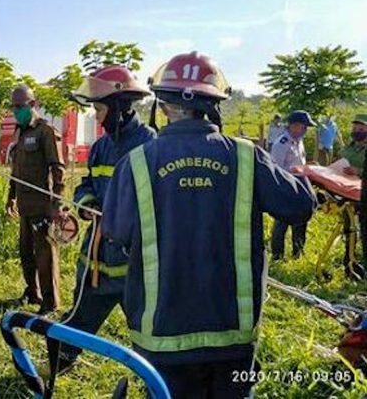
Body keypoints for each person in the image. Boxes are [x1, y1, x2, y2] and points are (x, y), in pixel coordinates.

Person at [102, 51, 317, 398]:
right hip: (233, 338)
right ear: (215, 105)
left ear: (164, 106)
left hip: (161, 336)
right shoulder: (248, 157)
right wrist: (298, 177)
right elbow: (300, 207)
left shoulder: (136, 163)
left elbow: (115, 233)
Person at [58, 65, 155, 369]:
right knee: (79, 316)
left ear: (119, 107)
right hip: (96, 260)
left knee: (148, 330)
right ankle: (61, 359)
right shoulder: (101, 146)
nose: (95, 117)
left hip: (134, 263)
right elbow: (86, 184)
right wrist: (85, 204)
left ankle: (157, 376)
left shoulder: (150, 145)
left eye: (99, 109)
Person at [5, 84, 67, 316]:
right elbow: (15, 170)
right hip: (24, 205)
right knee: (26, 251)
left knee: (45, 254)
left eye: (19, 106)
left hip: (43, 207)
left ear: (33, 104)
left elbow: (57, 168)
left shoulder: (45, 131)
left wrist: (56, 204)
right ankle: (33, 291)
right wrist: (10, 197)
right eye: (13, 107)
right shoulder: (20, 133)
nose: (16, 111)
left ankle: (50, 302)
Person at [270, 110, 316, 260]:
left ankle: (298, 252)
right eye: (304, 127)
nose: (305, 130)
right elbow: (275, 169)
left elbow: (299, 162)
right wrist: (293, 170)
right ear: (294, 126)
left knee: (301, 219)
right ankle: (277, 255)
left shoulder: (298, 141)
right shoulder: (281, 144)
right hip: (285, 188)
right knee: (282, 222)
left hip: (299, 187)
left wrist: (307, 167)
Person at [340, 114, 367, 278]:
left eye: (361, 129)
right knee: (349, 229)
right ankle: (349, 260)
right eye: (355, 129)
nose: (357, 131)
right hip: (345, 193)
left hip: (363, 194)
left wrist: (359, 172)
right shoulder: (347, 149)